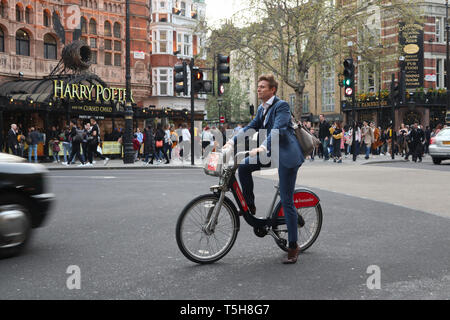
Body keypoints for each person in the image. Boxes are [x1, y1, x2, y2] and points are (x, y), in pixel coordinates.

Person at [223, 74, 304, 264]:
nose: (258, 89)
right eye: (258, 86)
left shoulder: (281, 106)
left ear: (272, 90)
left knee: (287, 200)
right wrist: (231, 142)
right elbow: (251, 127)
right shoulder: (262, 109)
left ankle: (293, 246)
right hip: (270, 152)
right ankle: (249, 205)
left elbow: (278, 128)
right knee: (243, 167)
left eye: (262, 86)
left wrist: (264, 146)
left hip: (286, 157)